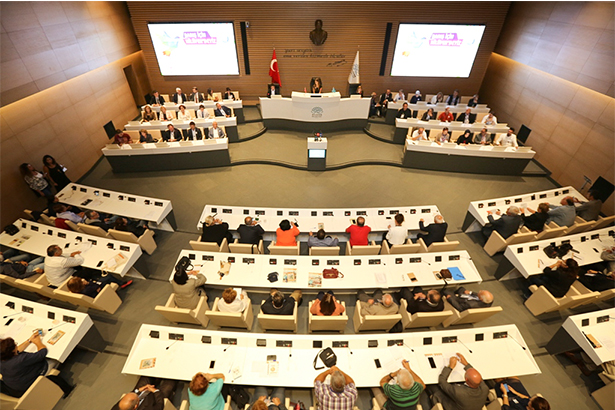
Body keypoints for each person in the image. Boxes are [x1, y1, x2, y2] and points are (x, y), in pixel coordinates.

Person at [0, 334, 73, 398]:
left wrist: (29, 340)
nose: (16, 345)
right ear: (12, 350)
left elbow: (17, 350)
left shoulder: (3, 358)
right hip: (31, 381)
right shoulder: (21, 359)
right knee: (53, 358)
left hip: (16, 385)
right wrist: (37, 342)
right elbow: (42, 353)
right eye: (15, 345)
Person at [112, 376, 178, 410]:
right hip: (155, 399)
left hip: (141, 392)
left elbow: (132, 394)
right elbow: (160, 405)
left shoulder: (117, 408)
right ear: (135, 406)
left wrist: (138, 390)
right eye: (135, 395)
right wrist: (155, 391)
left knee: (146, 376)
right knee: (169, 384)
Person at [67, 275, 132, 297]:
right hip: (98, 292)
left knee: (105, 278)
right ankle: (122, 283)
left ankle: (121, 283)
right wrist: (88, 283)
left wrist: (93, 285)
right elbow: (94, 285)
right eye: (81, 281)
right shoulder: (86, 290)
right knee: (108, 278)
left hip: (95, 288)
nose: (82, 280)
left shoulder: (76, 289)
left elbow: (94, 284)